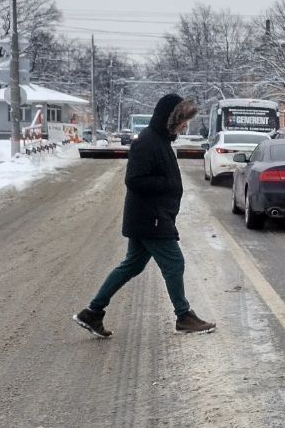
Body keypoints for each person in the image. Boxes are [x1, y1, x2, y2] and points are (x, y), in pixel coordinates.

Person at [74, 93, 216, 338]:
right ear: (170, 119)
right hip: (152, 218)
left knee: (132, 265)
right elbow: (134, 180)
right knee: (174, 263)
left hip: (151, 217)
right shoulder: (148, 142)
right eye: (182, 120)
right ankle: (183, 316)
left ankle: (93, 312)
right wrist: (167, 183)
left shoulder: (160, 141)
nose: (185, 125)